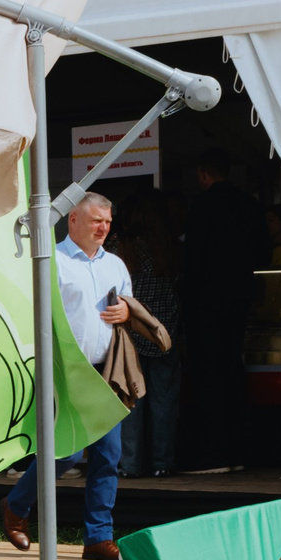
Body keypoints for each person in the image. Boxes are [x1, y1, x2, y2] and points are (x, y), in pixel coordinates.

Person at [1, 192, 133, 560]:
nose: (103, 228)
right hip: (64, 372)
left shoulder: (116, 265)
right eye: (96, 221)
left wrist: (126, 311)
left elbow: (128, 306)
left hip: (106, 373)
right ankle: (16, 505)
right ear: (72, 219)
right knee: (67, 452)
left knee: (108, 455)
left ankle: (98, 538)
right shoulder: (52, 260)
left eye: (108, 222)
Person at [177, 153, 266, 471]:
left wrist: (186, 295)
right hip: (240, 297)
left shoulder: (202, 205)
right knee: (232, 367)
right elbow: (263, 253)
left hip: (207, 301)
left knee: (209, 373)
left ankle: (215, 452)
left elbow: (193, 256)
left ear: (203, 174)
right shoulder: (250, 204)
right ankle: (242, 450)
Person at [113, 188, 185, 477]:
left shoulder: (118, 249)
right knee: (164, 402)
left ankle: (130, 465)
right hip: (164, 334)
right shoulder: (171, 248)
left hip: (130, 336)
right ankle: (162, 464)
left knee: (130, 402)